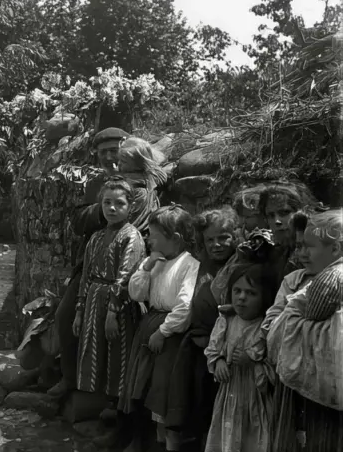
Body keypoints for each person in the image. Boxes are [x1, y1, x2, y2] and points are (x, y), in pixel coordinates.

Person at [49, 127, 131, 399]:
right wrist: (103, 208)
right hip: (92, 266)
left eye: (114, 150)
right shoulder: (95, 184)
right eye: (103, 152)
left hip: (128, 266)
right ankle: (71, 379)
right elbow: (77, 221)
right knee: (65, 316)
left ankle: (112, 396)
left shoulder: (140, 179)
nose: (109, 157)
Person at [71, 176, 145, 445]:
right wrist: (80, 311)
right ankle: (108, 412)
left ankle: (122, 427)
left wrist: (113, 312)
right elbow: (86, 276)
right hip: (94, 301)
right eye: (107, 203)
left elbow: (126, 277)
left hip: (118, 307)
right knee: (98, 355)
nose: (112, 208)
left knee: (118, 357)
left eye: (119, 203)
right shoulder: (96, 237)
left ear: (130, 207)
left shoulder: (131, 237)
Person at [121, 205, 200, 452]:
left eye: (154, 235)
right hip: (149, 326)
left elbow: (185, 306)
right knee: (141, 385)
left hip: (169, 336)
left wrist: (163, 332)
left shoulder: (189, 265)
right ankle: (141, 439)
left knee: (162, 391)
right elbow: (136, 293)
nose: (149, 240)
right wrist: (146, 267)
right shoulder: (154, 261)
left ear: (174, 238)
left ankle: (165, 443)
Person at [164, 207, 240, 451]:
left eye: (223, 238)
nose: (216, 245)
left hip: (229, 353)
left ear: (235, 236)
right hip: (199, 349)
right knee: (199, 406)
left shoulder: (240, 266)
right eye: (210, 240)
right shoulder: (201, 266)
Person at [267, 209, 343, 452]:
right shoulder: (318, 276)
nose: (302, 253)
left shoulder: (330, 278)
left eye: (310, 246)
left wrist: (292, 319)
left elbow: (313, 311)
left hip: (323, 397)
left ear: (335, 249)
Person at [204, 264, 278, 452]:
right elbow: (213, 349)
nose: (242, 297)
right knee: (227, 437)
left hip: (255, 399)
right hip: (229, 393)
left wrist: (252, 363)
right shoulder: (226, 321)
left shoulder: (266, 328)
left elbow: (274, 369)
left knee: (253, 439)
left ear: (265, 297)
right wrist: (218, 361)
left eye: (251, 293)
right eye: (237, 291)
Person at [258, 184, 305, 281]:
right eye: (271, 215)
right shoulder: (276, 254)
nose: (277, 221)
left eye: (284, 213)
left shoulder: (312, 252)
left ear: (301, 212)